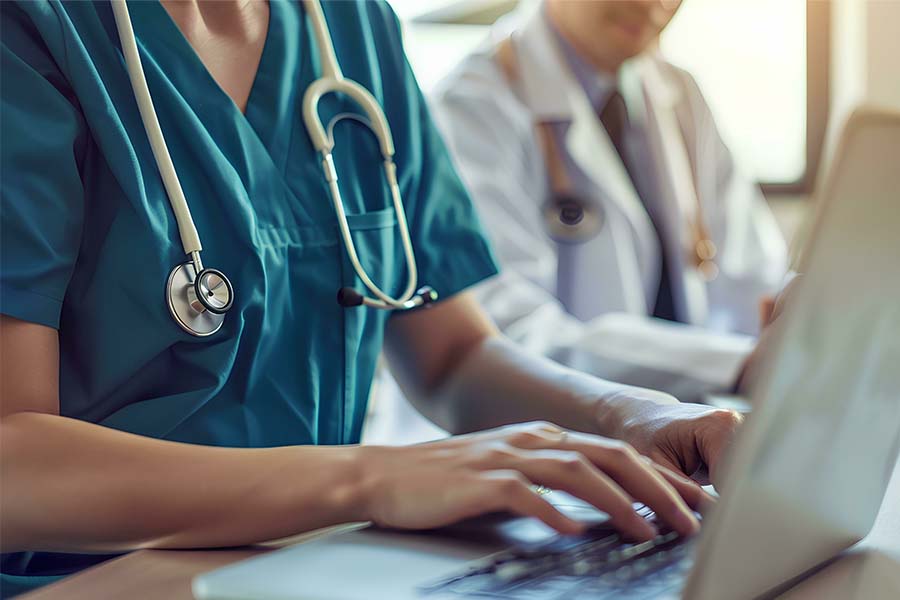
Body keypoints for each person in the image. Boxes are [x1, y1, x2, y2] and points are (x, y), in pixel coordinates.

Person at [0, 1, 741, 595]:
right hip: (99, 577)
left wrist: (629, 416)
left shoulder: (352, 26)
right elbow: (13, 462)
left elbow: (452, 357)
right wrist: (374, 478)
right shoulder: (32, 28)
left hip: (319, 566)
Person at [430, 0, 789, 401]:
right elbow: (504, 336)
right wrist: (731, 365)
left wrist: (796, 321)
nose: (654, 4)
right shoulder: (470, 107)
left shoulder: (680, 94)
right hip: (532, 443)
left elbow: (751, 279)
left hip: (674, 435)